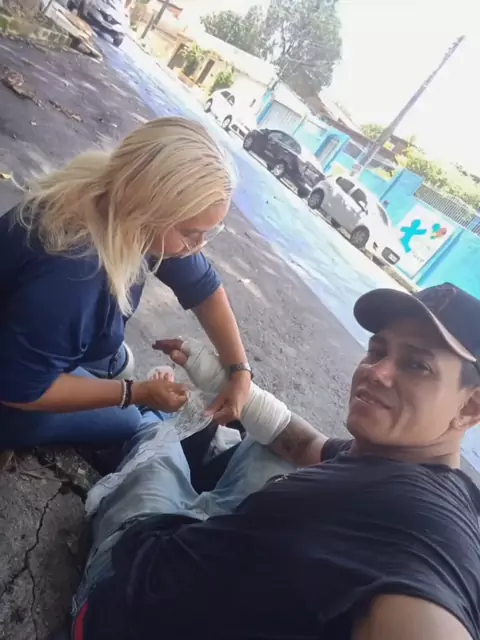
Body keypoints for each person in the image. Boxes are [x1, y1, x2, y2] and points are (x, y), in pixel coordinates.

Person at [72, 282, 480, 640]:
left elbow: (429, 609)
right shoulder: (396, 460)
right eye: (378, 350)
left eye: (417, 365)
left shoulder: (423, 528)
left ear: (471, 406)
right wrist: (228, 383)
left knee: (157, 443)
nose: (378, 372)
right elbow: (305, 444)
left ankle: (158, 420)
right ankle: (204, 436)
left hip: (130, 589)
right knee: (270, 445)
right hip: (235, 561)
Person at [0, 117, 253, 449]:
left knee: (118, 362)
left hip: (25, 338)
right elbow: (20, 390)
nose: (198, 246)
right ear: (149, 208)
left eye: (209, 233)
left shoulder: (110, 196)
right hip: (12, 389)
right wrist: (133, 392)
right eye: (192, 233)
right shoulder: (76, 277)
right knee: (130, 421)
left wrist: (240, 370)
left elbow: (203, 286)